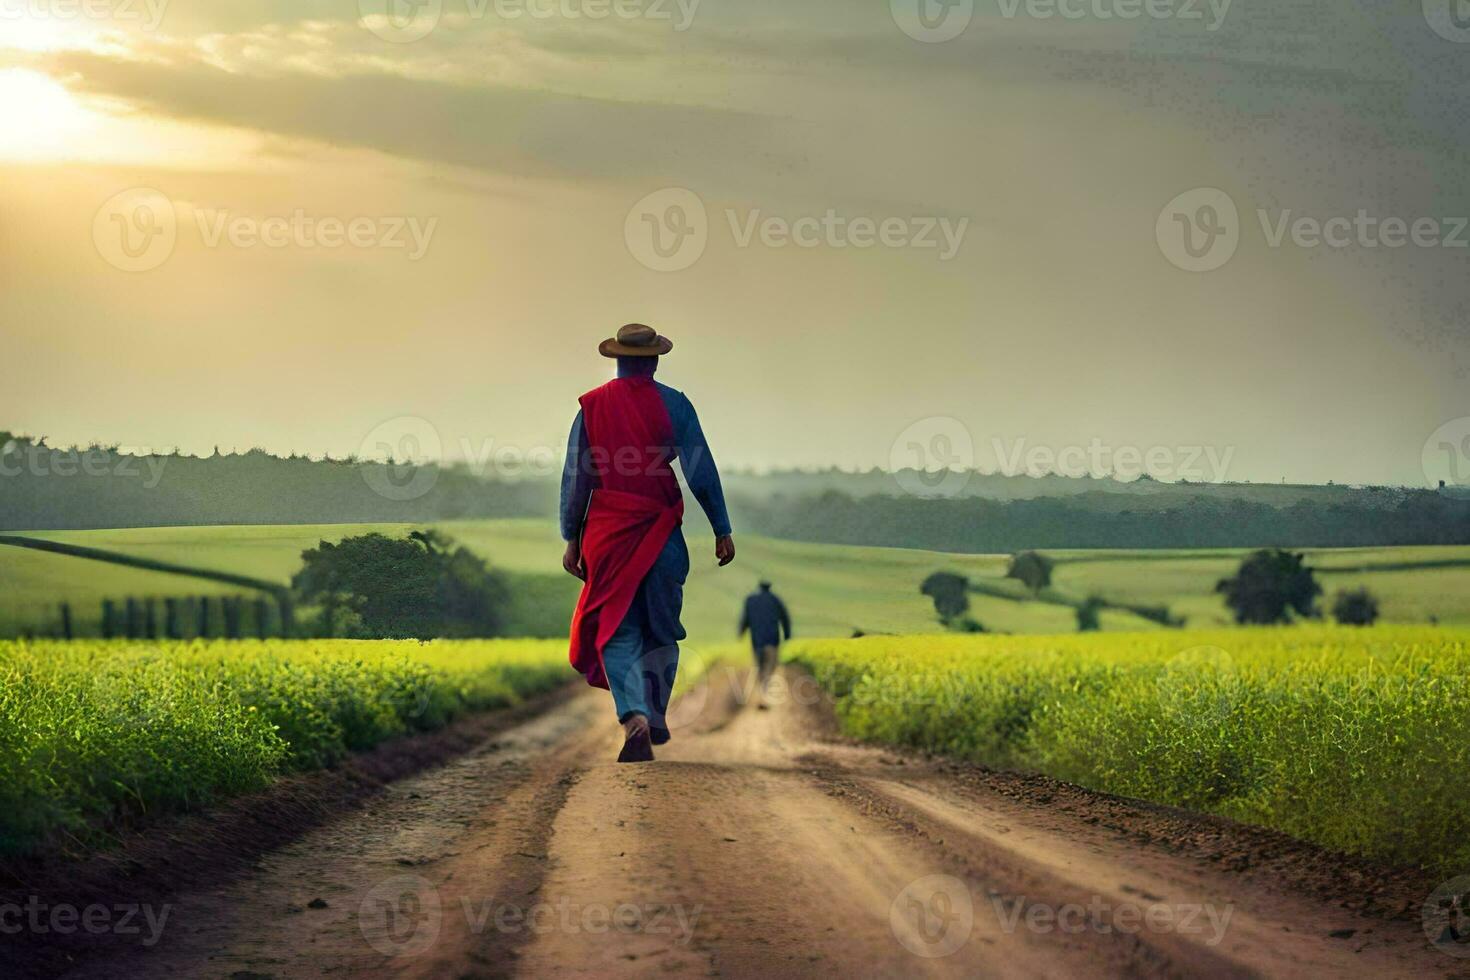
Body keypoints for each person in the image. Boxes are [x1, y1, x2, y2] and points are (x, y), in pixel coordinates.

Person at [561, 323, 735, 763]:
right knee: (662, 630)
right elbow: (701, 470)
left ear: (617, 361)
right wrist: (721, 528)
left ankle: (634, 716)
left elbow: (576, 479)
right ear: (655, 361)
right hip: (661, 533)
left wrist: (571, 537)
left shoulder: (592, 407)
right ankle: (655, 712)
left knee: (617, 629)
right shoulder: (675, 405)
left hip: (606, 535)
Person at [739, 580, 791, 705]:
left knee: (760, 667)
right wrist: (787, 634)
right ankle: (764, 696)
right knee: (769, 667)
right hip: (772, 639)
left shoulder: (751, 600)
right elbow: (785, 618)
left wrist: (741, 632)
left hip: (757, 640)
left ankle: (761, 695)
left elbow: (745, 619)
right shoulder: (775, 600)